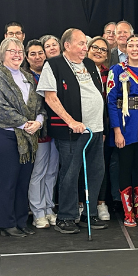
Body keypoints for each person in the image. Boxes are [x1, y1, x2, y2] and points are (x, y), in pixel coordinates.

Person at [37, 28, 108, 234]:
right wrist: (71, 121)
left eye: (86, 44)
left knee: (96, 172)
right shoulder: (54, 65)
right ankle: (66, 217)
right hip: (71, 131)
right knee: (70, 173)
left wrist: (102, 126)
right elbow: (50, 98)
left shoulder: (88, 64)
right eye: (81, 44)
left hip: (95, 129)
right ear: (67, 45)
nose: (85, 48)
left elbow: (98, 95)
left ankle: (89, 213)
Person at [0, 37, 46, 237]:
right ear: (2, 55)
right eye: (12, 51)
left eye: (20, 51)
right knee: (8, 180)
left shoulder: (28, 77)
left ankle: (21, 221)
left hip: (27, 136)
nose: (17, 54)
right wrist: (24, 123)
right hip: (2, 135)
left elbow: (40, 105)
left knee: (23, 180)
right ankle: (5, 223)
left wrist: (38, 121)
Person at [107, 35, 138, 227]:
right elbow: (111, 102)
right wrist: (117, 131)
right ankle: (128, 212)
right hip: (126, 124)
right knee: (125, 166)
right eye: (131, 45)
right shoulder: (117, 70)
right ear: (125, 48)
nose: (135, 48)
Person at [24, 39, 60, 228]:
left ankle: (48, 208)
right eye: (33, 54)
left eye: (40, 53)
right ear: (26, 57)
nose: (38, 57)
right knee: (38, 172)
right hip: (36, 131)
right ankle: (38, 212)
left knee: (52, 171)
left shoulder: (52, 72)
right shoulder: (24, 76)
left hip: (54, 129)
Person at [87, 36, 117, 222]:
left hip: (104, 124)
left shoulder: (110, 73)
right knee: (81, 168)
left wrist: (107, 129)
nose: (98, 51)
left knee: (101, 166)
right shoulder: (79, 71)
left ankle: (100, 202)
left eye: (103, 49)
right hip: (82, 125)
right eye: (95, 48)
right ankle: (82, 204)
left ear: (107, 55)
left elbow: (110, 102)